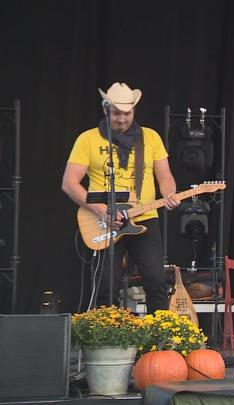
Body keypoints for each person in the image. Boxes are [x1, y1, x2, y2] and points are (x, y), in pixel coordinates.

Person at [62, 82, 180, 313]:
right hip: (104, 221)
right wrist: (101, 211)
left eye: (127, 113)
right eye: (117, 113)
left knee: (156, 280)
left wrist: (170, 195)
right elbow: (69, 183)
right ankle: (109, 340)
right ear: (106, 110)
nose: (122, 119)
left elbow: (165, 176)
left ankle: (163, 341)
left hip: (144, 217)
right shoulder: (88, 139)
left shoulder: (150, 138)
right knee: (107, 285)